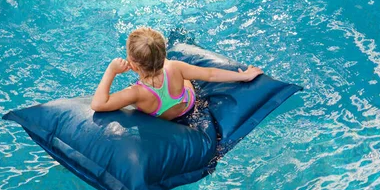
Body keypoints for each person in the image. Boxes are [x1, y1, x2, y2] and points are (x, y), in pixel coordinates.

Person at [91, 27, 263, 120]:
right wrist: (244, 76)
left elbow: (98, 104)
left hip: (165, 115)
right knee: (180, 74)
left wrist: (111, 70)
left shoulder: (136, 93)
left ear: (134, 65)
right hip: (188, 102)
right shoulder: (174, 66)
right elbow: (210, 74)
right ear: (164, 53)